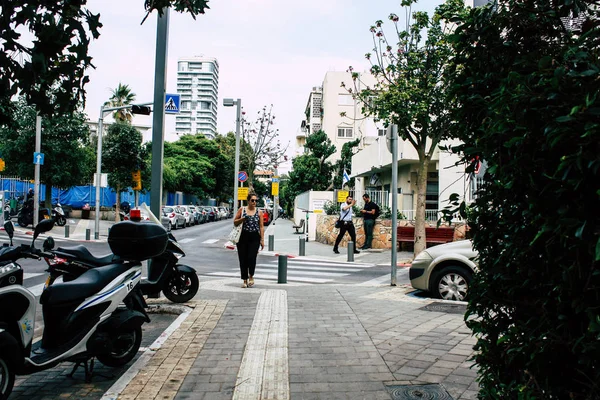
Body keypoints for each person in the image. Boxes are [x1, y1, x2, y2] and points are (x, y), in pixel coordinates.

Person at [233, 192, 265, 288]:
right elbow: (235, 222)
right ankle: (244, 280)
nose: (254, 202)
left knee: (252, 258)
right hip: (243, 237)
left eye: (256, 200)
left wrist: (262, 240)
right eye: (252, 200)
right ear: (248, 201)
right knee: (243, 259)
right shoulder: (242, 210)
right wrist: (242, 219)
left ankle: (251, 276)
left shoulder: (259, 212)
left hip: (254, 237)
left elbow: (261, 226)